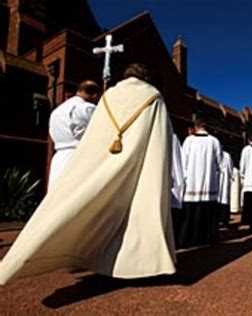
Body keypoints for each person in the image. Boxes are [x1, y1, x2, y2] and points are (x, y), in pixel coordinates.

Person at [0, 63, 176, 285]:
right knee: (133, 211)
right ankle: (134, 263)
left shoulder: (107, 96)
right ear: (146, 77)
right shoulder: (153, 97)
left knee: (72, 205)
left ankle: (61, 251)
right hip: (138, 160)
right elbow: (160, 139)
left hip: (94, 158)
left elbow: (97, 133)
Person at [177, 120, 222, 248]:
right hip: (209, 182)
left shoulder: (189, 140)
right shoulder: (214, 141)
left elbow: (183, 160)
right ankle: (209, 238)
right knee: (208, 210)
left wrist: (184, 176)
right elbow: (219, 161)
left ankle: (187, 239)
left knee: (190, 211)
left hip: (192, 182)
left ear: (196, 127)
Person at [48, 80, 101, 189]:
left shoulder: (57, 111)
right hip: (79, 157)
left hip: (59, 159)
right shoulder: (87, 108)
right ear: (95, 95)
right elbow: (101, 132)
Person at [217, 148, 234, 226]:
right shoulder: (227, 155)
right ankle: (224, 220)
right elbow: (231, 167)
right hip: (223, 178)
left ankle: (222, 219)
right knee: (224, 198)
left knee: (223, 198)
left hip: (220, 178)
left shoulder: (226, 155)